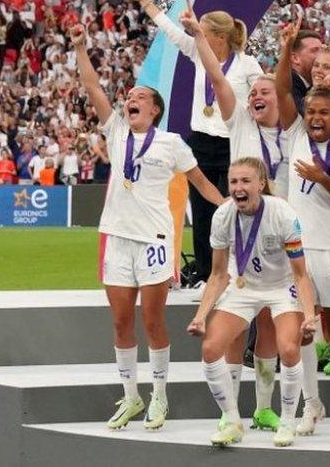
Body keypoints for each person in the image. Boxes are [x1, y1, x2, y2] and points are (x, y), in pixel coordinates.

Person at [71, 24, 224, 432]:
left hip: (154, 240)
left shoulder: (172, 143)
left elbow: (201, 183)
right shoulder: (117, 130)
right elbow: (92, 88)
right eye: (129, 96)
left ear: (155, 109)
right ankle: (132, 396)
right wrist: (81, 47)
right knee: (121, 322)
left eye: (140, 97)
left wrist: (227, 205)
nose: (131, 99)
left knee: (153, 321)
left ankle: (160, 396)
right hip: (117, 238)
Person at [181, 4, 290, 433]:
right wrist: (199, 37)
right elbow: (217, 78)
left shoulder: (291, 133)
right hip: (241, 230)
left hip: (278, 236)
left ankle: (263, 407)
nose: (258, 96)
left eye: (267, 92)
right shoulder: (240, 121)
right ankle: (231, 414)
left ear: (278, 100)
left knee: (266, 325)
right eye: (254, 92)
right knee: (234, 320)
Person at [118, 0, 264, 288]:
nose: (197, 36)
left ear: (221, 37)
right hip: (200, 142)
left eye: (203, 32)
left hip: (232, 146)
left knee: (235, 208)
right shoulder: (200, 54)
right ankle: (204, 273)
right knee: (202, 211)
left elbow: (265, 94)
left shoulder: (247, 64)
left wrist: (256, 109)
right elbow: (170, 32)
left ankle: (240, 270)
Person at [186, 157, 317, 448]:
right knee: (210, 348)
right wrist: (200, 315)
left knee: (289, 348)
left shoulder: (282, 213)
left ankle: (287, 421)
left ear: (261, 184)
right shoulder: (222, 216)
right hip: (242, 284)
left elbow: (300, 275)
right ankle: (232, 420)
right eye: (233, 182)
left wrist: (308, 315)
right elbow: (219, 274)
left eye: (245, 181)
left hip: (282, 286)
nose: (238, 187)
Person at [276, 21, 330, 439]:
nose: (317, 118)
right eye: (312, 112)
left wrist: (323, 177)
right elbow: (281, 91)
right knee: (302, 332)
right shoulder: (294, 136)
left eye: (325, 112)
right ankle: (313, 406)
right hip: (299, 254)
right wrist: (286, 45)